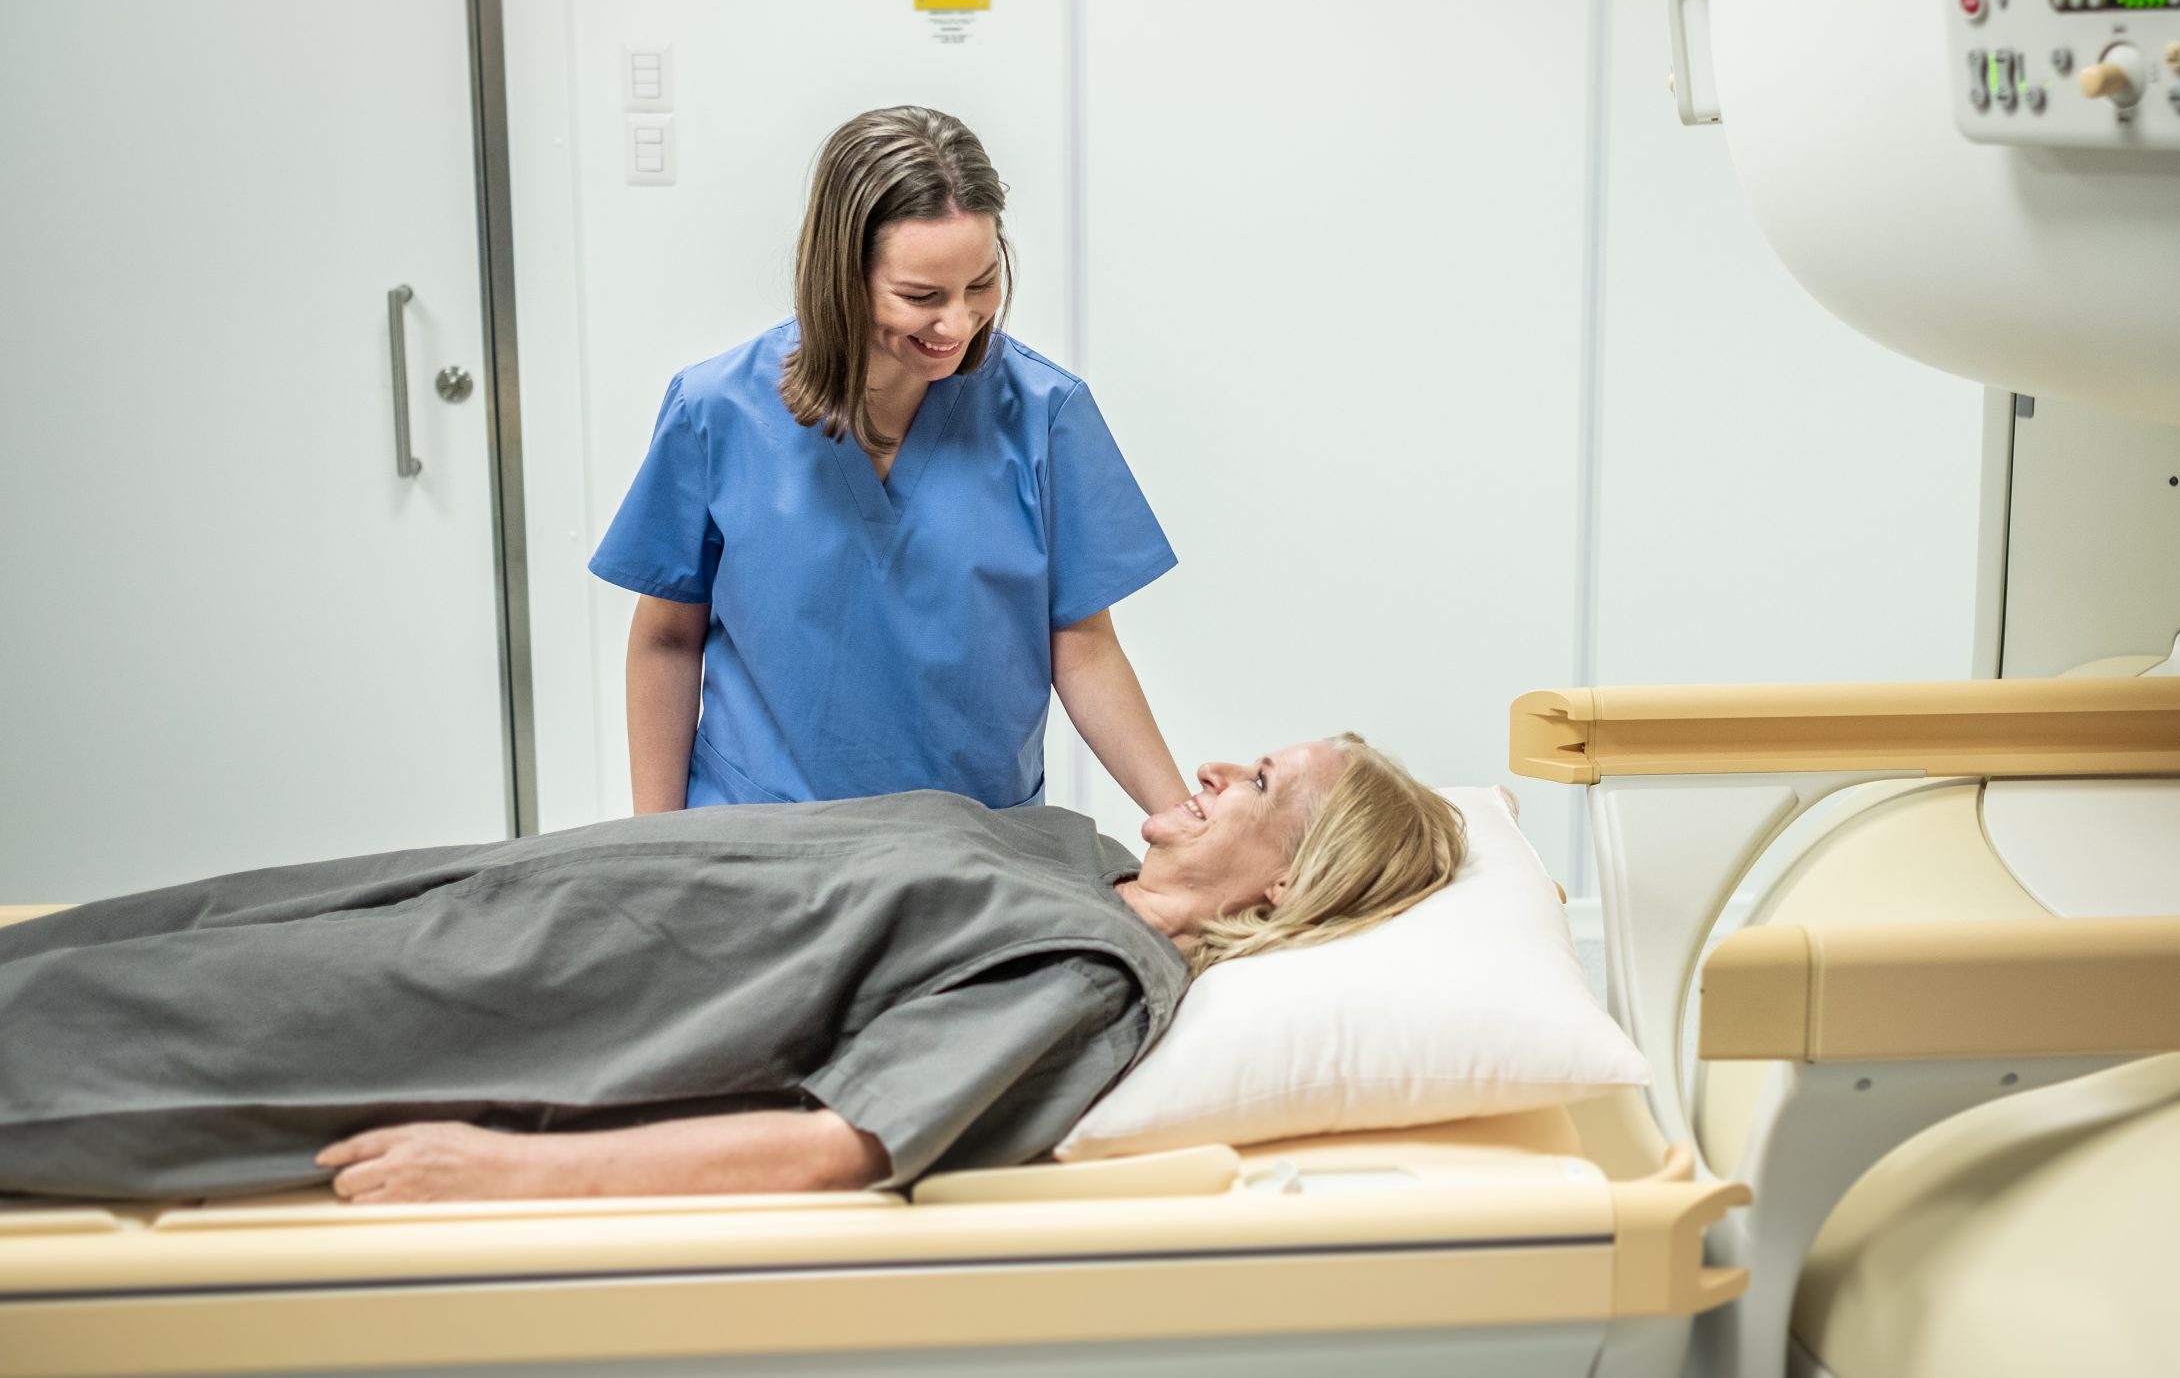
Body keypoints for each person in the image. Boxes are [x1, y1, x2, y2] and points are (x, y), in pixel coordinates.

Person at [0, 736, 1462, 1204]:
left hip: (503, 1017)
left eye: (1258, 777)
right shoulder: (1071, 847)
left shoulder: (1096, 963)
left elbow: (846, 1137)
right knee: (138, 934)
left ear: (1288, 876)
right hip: (497, 895)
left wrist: (506, 1168)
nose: (1215, 763)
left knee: (99, 1036)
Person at [593, 106, 1187, 818]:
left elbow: (1084, 647)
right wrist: (658, 849)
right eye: (921, 296)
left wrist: (1178, 813)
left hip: (977, 845)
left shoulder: (1043, 413)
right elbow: (666, 638)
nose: (959, 323)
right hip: (763, 842)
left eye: (982, 283)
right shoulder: (715, 411)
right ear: (841, 275)